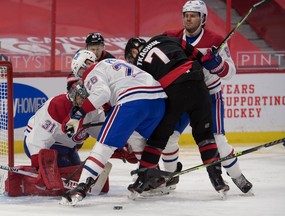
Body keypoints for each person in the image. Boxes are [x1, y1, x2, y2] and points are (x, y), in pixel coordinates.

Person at [163, 0, 252, 194]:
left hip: (209, 95)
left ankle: (236, 175)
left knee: (218, 139)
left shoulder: (215, 40)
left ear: (203, 19)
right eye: (186, 14)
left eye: (193, 15)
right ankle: (167, 179)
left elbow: (230, 72)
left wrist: (217, 64)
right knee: (168, 137)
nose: (188, 18)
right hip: (183, 96)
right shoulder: (173, 37)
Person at [124, 35, 229, 196]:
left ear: (133, 51)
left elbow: (149, 94)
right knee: (205, 136)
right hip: (198, 84)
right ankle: (218, 180)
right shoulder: (166, 38)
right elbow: (197, 55)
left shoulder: (139, 64)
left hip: (175, 91)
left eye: (130, 58)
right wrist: (206, 58)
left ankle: (142, 179)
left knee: (158, 139)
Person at [60, 50, 167, 204]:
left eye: (80, 72)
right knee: (136, 137)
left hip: (132, 100)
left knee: (104, 144)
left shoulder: (92, 70)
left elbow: (102, 94)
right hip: (158, 100)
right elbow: (110, 105)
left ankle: (81, 187)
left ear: (86, 64)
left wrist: (78, 114)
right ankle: (154, 178)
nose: (83, 78)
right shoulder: (114, 63)